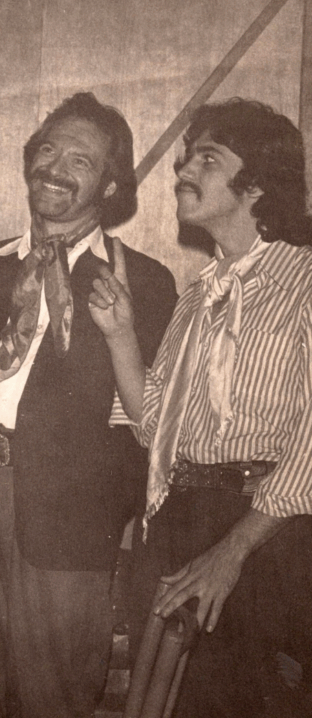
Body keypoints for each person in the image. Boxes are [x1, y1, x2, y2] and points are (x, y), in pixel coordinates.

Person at [0, 93, 177, 718]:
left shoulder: (143, 281)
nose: (56, 168)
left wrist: (102, 526)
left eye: (81, 160)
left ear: (111, 185)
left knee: (53, 699)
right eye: (47, 150)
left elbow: (149, 422)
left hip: (70, 527)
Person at [89, 98, 312, 716]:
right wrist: (120, 336)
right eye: (186, 157)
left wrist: (233, 550)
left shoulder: (305, 283)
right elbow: (154, 427)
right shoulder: (198, 300)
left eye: (207, 159)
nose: (184, 170)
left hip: (265, 534)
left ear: (258, 185)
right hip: (180, 523)